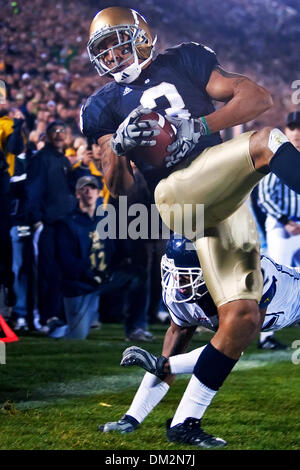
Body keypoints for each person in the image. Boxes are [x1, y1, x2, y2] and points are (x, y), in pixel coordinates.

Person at [81, 7, 300, 444]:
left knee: (241, 317)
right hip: (174, 194)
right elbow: (121, 191)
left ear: (141, 36)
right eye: (103, 49)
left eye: (117, 42)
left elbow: (257, 98)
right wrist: (119, 149)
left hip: (221, 196)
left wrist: (196, 126)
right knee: (268, 141)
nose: (112, 54)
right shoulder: (101, 106)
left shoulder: (184, 60)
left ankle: (183, 424)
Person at [99, 235, 300, 448]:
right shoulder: (177, 287)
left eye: (188, 276)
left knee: (228, 346)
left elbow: (233, 346)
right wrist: (131, 418)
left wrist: (163, 365)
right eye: (176, 273)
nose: (179, 283)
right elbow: (175, 347)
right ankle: (180, 426)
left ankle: (184, 424)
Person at [55, 175, 151, 340]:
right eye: (84, 189)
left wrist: (125, 258)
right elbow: (66, 262)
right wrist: (90, 276)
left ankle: (136, 328)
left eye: (92, 188)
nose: (88, 192)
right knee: (75, 336)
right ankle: (54, 326)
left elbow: (120, 248)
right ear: (77, 194)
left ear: (99, 192)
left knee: (138, 275)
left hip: (105, 278)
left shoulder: (107, 219)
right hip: (81, 284)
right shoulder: (67, 223)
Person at [26, 120, 77, 328]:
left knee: (61, 270)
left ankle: (57, 314)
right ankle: (43, 317)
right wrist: (37, 220)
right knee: (46, 271)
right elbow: (33, 192)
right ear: (47, 135)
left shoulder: (63, 160)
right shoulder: (41, 159)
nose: (58, 134)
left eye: (62, 131)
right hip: (47, 224)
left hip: (64, 224)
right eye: (54, 131)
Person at [257, 111, 300, 349]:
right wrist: (286, 221)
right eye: (292, 128)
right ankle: (265, 337)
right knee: (274, 277)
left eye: (299, 128)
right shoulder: (281, 156)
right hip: (282, 226)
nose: (296, 133)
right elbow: (264, 196)